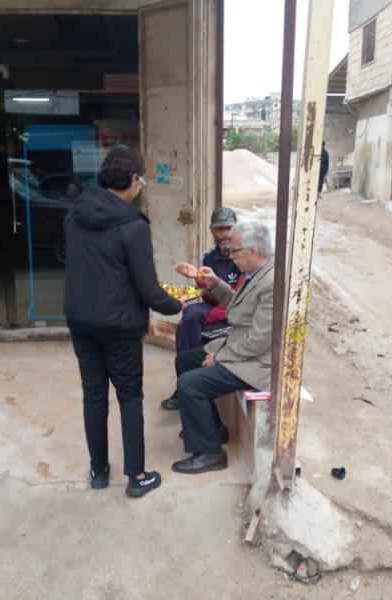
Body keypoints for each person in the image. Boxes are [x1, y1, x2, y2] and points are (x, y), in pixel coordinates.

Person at [64, 146, 184, 498]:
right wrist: (179, 303)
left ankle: (98, 471)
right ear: (133, 180)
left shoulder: (74, 216)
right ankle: (137, 476)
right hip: (119, 326)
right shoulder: (132, 226)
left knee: (94, 395)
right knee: (130, 397)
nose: (141, 185)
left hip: (81, 321)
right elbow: (148, 289)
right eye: (141, 179)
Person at [170, 220, 275, 474]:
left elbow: (259, 340)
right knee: (185, 360)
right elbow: (237, 306)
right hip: (240, 345)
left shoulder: (271, 283)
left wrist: (220, 355)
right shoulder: (256, 274)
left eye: (235, 251)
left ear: (252, 251)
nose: (231, 256)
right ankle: (212, 430)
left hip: (257, 361)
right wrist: (214, 283)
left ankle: (209, 453)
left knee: (190, 384)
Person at [159, 207, 241, 411]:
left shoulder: (243, 254)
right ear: (212, 231)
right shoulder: (210, 257)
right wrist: (195, 281)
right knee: (188, 317)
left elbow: (241, 297)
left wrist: (213, 304)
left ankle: (191, 383)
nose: (223, 235)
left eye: (227, 228)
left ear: (235, 228)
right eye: (218, 229)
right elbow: (205, 291)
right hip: (213, 305)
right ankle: (184, 383)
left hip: (235, 310)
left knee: (196, 315)